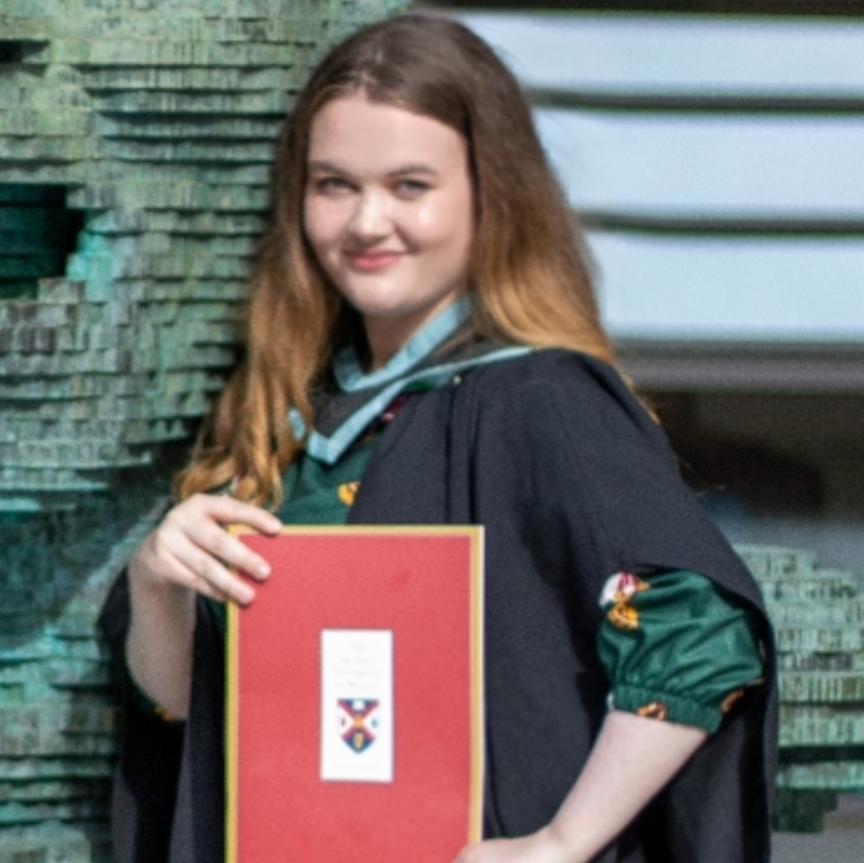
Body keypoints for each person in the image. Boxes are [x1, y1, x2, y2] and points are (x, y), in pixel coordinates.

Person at [100, 13, 776, 863]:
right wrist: (158, 582)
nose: (366, 222)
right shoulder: (289, 418)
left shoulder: (539, 399)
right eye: (333, 184)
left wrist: (561, 842)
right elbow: (200, 715)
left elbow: (701, 632)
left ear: (491, 195)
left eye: (410, 185)